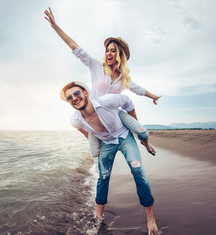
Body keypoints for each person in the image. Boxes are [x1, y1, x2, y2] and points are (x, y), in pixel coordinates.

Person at [44, 7, 161, 158]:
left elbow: (139, 89)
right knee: (96, 153)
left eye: (113, 50)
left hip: (113, 113)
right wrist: (55, 27)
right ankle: (96, 137)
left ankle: (146, 144)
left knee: (140, 129)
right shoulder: (96, 66)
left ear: (119, 54)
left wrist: (154, 97)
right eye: (107, 50)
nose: (108, 53)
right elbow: (74, 46)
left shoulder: (123, 78)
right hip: (93, 113)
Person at [60, 81, 162, 235]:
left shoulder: (107, 101)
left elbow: (128, 102)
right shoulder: (76, 120)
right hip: (106, 144)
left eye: (77, 93)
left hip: (124, 137)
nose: (74, 98)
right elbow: (86, 133)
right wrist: (97, 143)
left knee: (137, 170)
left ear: (85, 93)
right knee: (103, 178)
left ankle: (151, 222)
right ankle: (98, 218)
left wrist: (133, 122)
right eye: (70, 97)